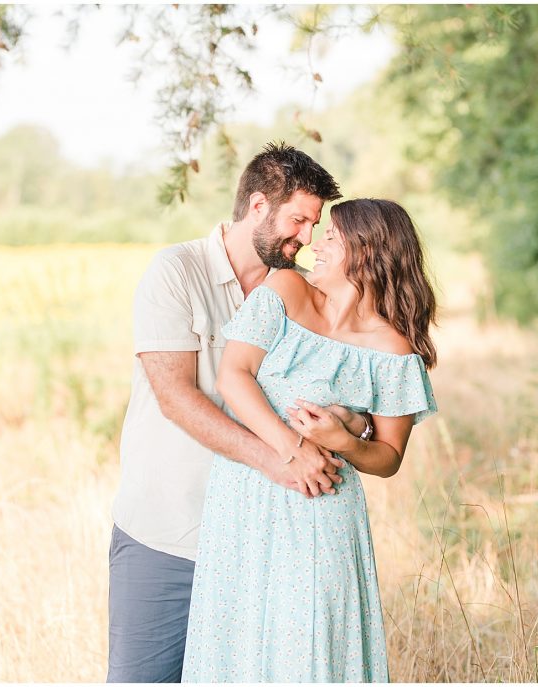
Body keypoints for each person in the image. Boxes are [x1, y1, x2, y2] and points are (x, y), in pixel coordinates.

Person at [107, 143, 373, 682]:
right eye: (297, 220)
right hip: (171, 535)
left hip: (265, 542)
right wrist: (281, 456)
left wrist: (352, 427)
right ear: (257, 206)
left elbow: (352, 383)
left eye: (313, 224)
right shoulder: (177, 272)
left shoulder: (304, 290)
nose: (304, 238)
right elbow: (177, 399)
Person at [181, 198, 439, 682]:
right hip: (246, 496)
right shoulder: (285, 288)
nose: (313, 246)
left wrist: (341, 439)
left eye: (332, 238)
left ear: (367, 251)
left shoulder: (393, 348)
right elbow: (233, 376)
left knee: (315, 646)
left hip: (323, 506)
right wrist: (292, 447)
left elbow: (387, 458)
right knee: (235, 642)